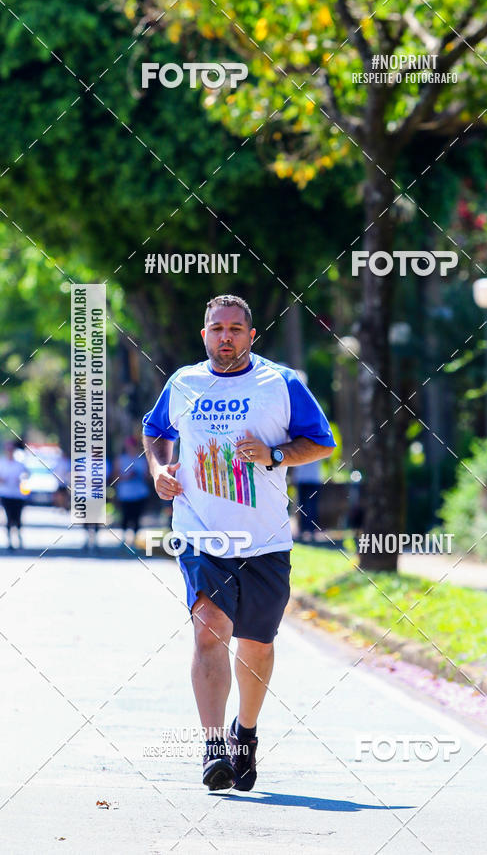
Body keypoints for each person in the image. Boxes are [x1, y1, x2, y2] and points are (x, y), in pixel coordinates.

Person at [142, 294, 335, 792]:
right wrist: (160, 468)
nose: (224, 336)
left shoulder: (281, 383)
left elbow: (321, 442)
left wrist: (273, 454)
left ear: (251, 335)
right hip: (200, 533)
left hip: (266, 538)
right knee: (209, 630)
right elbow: (155, 430)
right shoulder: (183, 382)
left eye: (234, 328)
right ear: (203, 334)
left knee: (257, 646)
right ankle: (213, 747)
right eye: (216, 328)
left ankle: (244, 735)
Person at [113, 436, 150, 547]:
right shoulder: (120, 459)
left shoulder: (142, 459)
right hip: (125, 493)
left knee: (136, 517)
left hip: (140, 493)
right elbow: (115, 476)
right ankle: (124, 539)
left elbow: (148, 476)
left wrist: (142, 476)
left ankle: (134, 540)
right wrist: (127, 477)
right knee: (125, 516)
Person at [0, 440, 29, 549]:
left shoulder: (20, 465)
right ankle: (9, 541)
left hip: (18, 495)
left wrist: (21, 479)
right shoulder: (1, 463)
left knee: (17, 517)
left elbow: (26, 475)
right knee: (8, 516)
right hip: (6, 493)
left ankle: (19, 537)